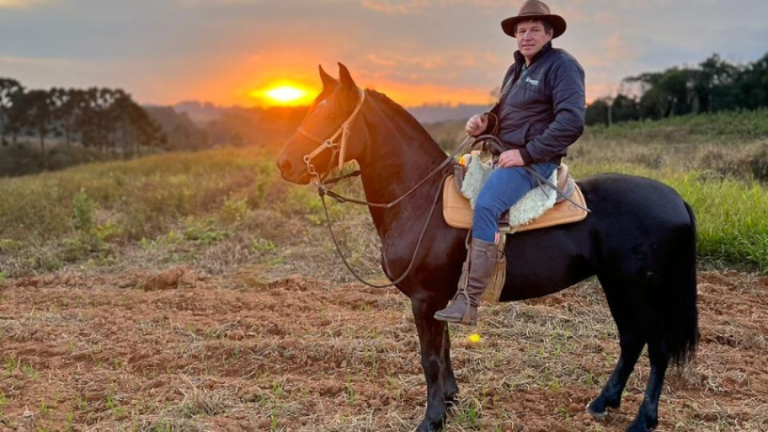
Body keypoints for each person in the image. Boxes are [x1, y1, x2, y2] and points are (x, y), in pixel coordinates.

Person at [434, 0, 586, 325]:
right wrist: (484, 122)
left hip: (534, 162)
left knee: (487, 204)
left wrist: (526, 154)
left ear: (549, 33)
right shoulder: (516, 69)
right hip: (505, 155)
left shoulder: (562, 66)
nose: (526, 36)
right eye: (521, 31)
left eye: (534, 30)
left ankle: (469, 301)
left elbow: (571, 121)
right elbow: (504, 114)